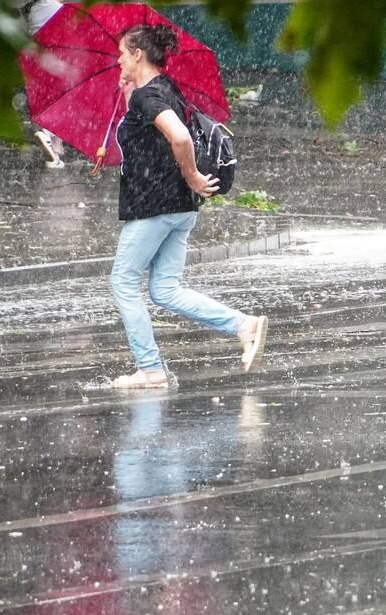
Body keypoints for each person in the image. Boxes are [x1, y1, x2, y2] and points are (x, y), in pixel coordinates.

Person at [109, 23, 268, 390]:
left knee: (123, 281)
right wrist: (132, 95)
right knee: (164, 289)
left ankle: (150, 370)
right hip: (180, 206)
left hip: (155, 205)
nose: (118, 59)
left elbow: (180, 136)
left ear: (137, 55)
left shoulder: (148, 98)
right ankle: (244, 326)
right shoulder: (164, 89)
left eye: (122, 52)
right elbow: (160, 135)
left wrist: (194, 175)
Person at [17, 0, 66, 168]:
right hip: (52, 51)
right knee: (64, 93)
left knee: (45, 95)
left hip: (31, 51)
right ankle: (48, 134)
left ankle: (55, 149)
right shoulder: (54, 8)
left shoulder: (30, 11)